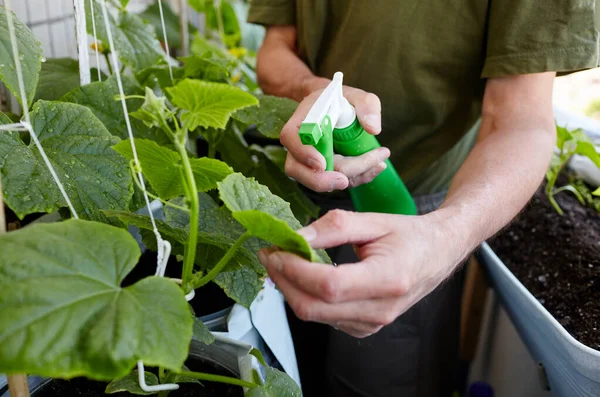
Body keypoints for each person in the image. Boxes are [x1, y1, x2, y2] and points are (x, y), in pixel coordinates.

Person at [247, 2, 599, 396]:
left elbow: (519, 120)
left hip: (414, 215)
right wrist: (317, 92)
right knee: (291, 367)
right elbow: (276, 47)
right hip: (292, 190)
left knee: (379, 383)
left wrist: (443, 237)